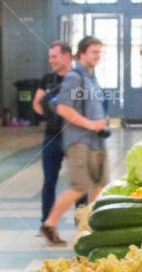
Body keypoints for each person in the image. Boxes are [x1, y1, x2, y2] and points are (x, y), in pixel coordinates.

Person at [40, 35, 110, 245]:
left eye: (99, 51)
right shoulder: (74, 77)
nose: (97, 56)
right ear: (81, 54)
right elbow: (63, 108)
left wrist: (100, 122)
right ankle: (49, 224)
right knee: (80, 186)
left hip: (96, 140)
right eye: (93, 52)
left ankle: (87, 226)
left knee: (99, 185)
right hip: (79, 140)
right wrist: (90, 124)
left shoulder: (91, 77)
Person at [32, 40, 86, 227]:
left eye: (54, 56)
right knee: (49, 181)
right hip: (51, 138)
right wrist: (51, 114)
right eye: (50, 57)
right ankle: (46, 222)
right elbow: (37, 103)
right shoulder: (47, 79)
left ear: (67, 56)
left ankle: (81, 222)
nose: (51, 61)